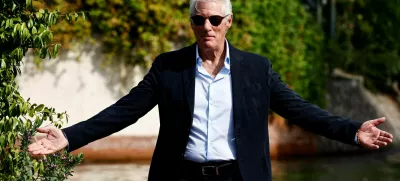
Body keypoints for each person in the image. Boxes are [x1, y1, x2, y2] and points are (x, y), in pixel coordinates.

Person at [28, 0, 394, 181]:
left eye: (215, 19)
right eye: (199, 19)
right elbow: (124, 111)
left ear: (228, 22)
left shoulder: (256, 69)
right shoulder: (168, 67)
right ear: (191, 23)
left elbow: (300, 110)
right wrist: (69, 137)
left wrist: (351, 130)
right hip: (181, 176)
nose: (207, 26)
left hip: (240, 176)